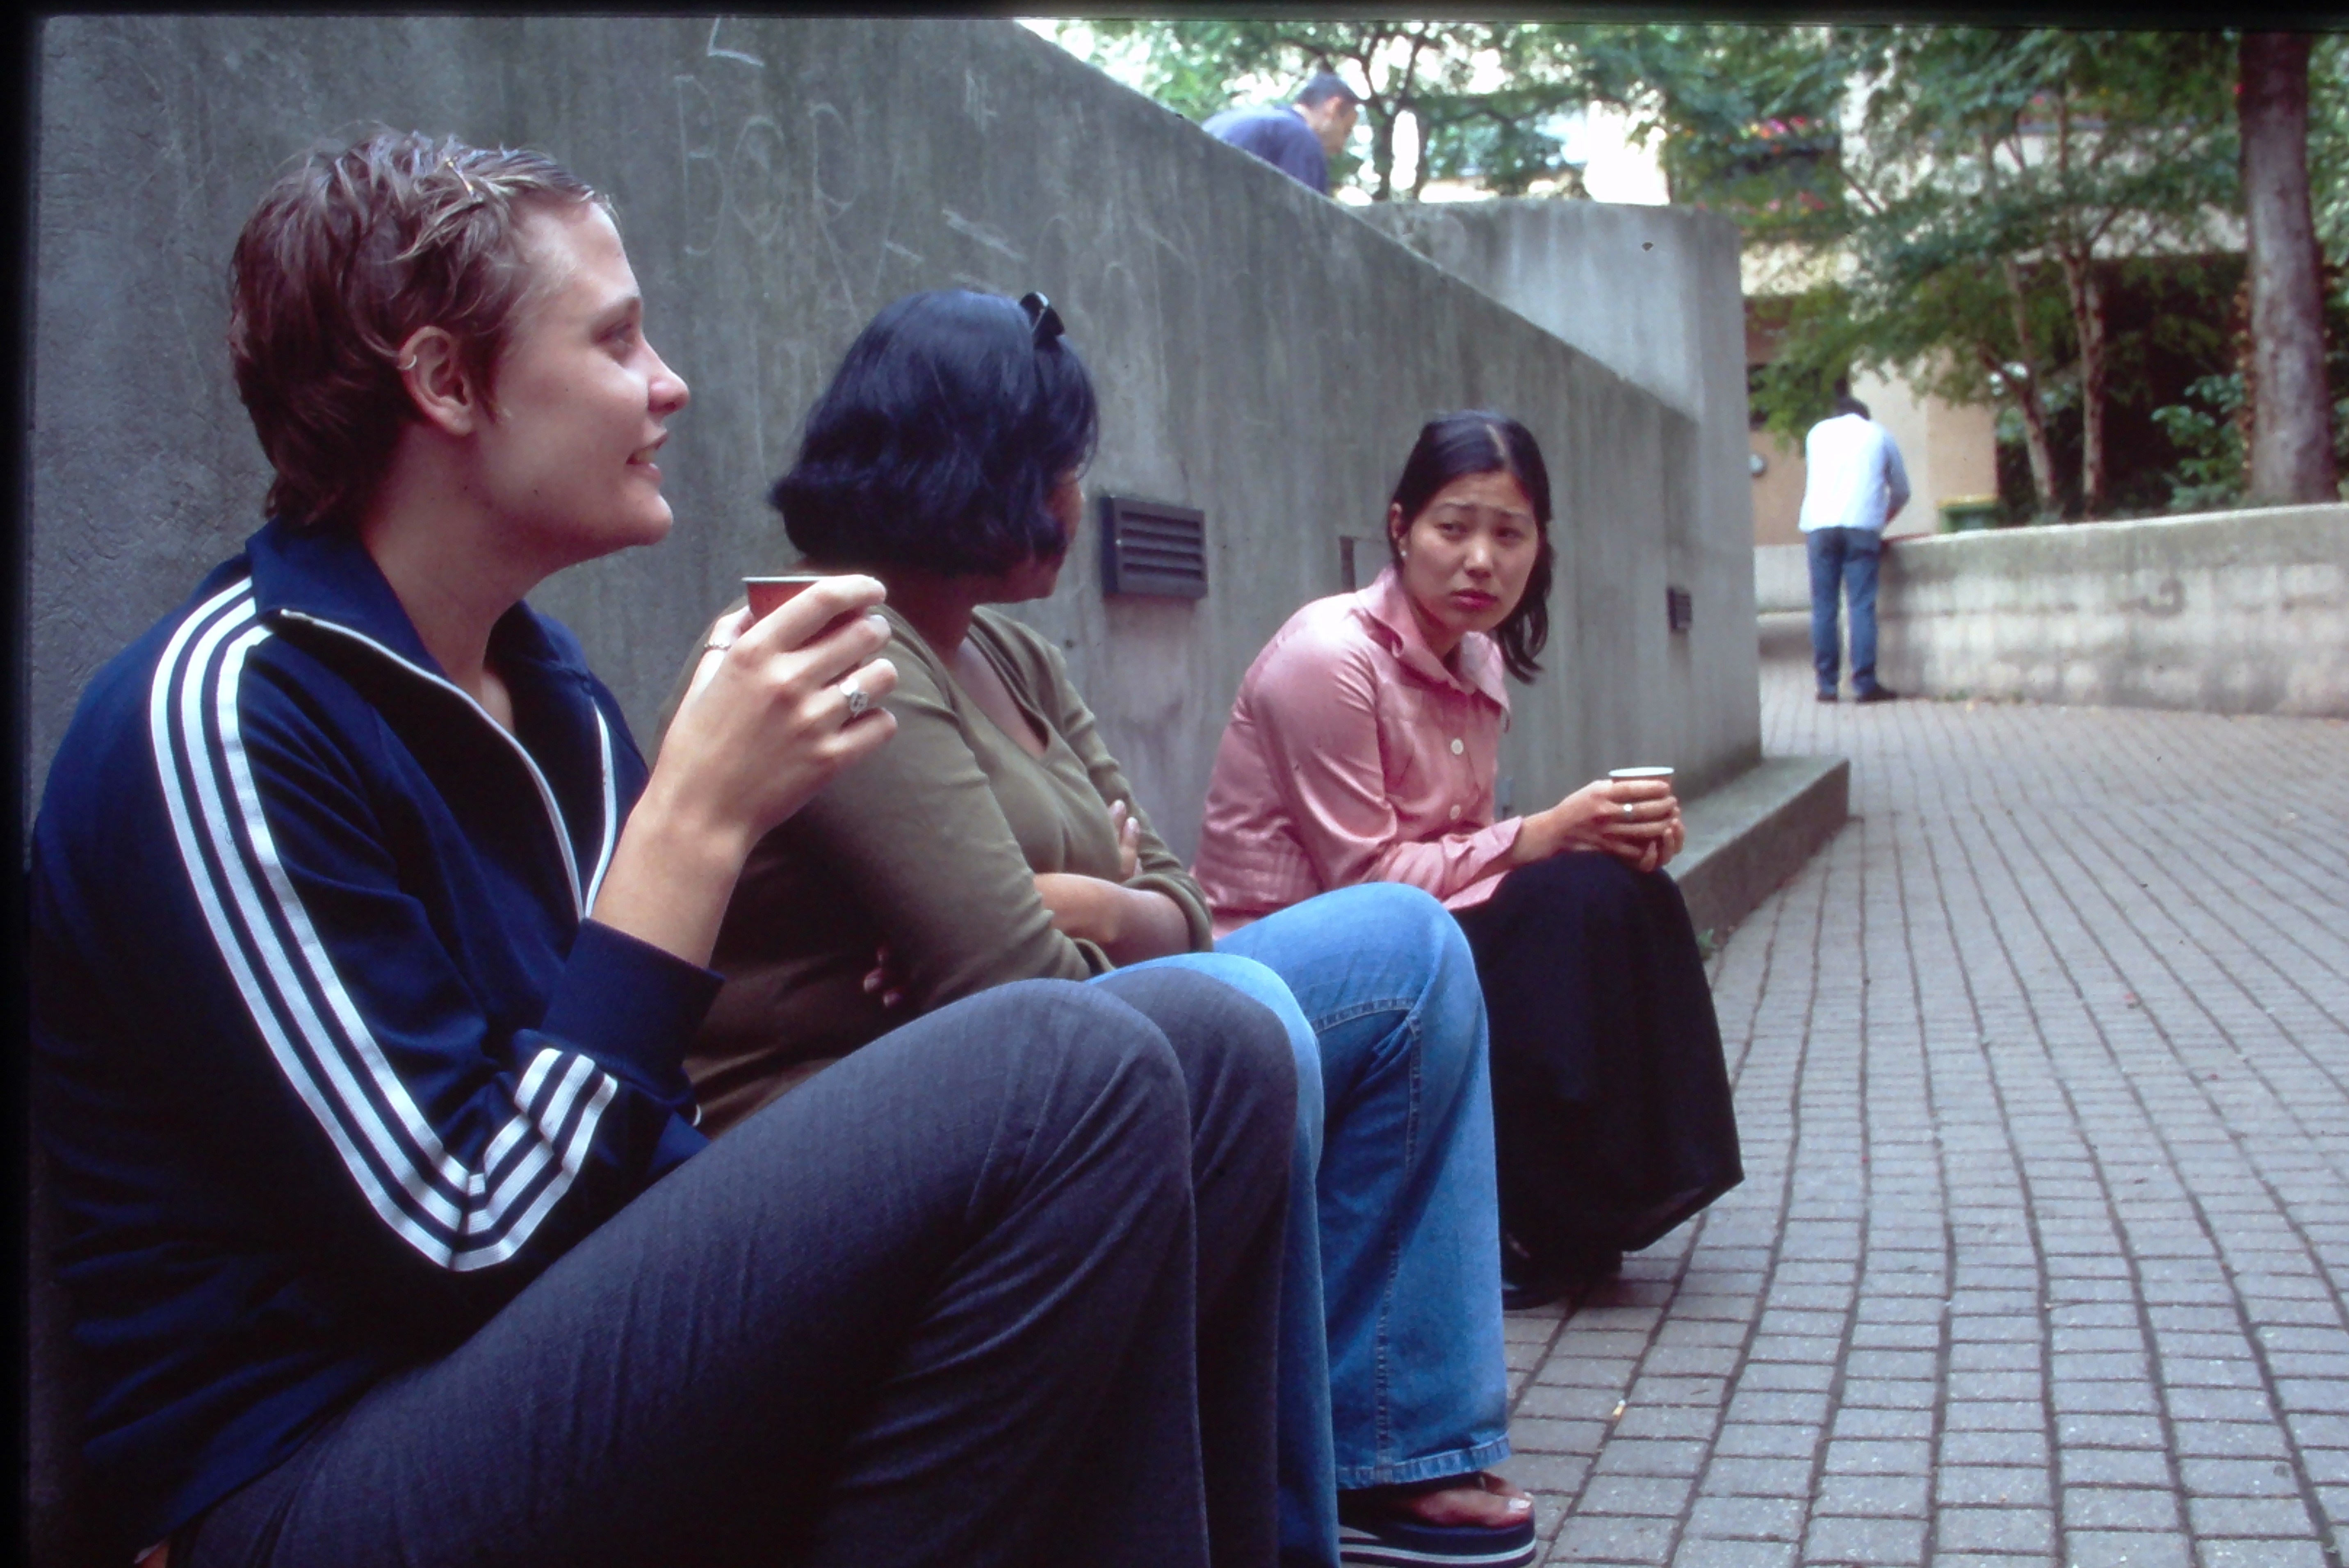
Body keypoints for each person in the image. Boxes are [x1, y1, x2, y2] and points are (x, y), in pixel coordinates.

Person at [29, 131, 1301, 1568]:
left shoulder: (552, 701)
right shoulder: (226, 716)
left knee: (1210, 1044)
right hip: (314, 1474)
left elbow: (648, 1123)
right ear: (446, 382)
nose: (669, 383)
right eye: (618, 338)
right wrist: (695, 826)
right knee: (1063, 1066)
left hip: (558, 1375)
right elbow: (465, 1243)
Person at [670, 291, 1534, 1568]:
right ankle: (1283, 1531)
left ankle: (1396, 1442)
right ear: (980, 469)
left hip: (1031, 1040)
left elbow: (1174, 894)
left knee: (1409, 946)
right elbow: (1007, 980)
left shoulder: (1011, 654)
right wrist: (1092, 914)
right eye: (1062, 464)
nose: (1078, 496)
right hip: (833, 1116)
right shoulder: (840, 647)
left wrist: (1086, 899)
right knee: (1239, 1023)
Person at [1192, 410, 1745, 1311]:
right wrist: (1543, 835)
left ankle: (1596, 1205)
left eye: (1508, 532)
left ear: (1540, 546)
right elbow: (1365, 884)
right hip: (1282, 958)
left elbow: (1464, 865)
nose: (1480, 559)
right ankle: (1518, 1216)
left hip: (1401, 934)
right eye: (1453, 527)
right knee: (1557, 905)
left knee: (1616, 891)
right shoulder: (1328, 658)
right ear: (1400, 526)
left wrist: (1606, 836)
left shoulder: (1476, 658)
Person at [1799, 381, 1911, 703]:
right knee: (1861, 605)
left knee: (1824, 607)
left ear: (1837, 415)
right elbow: (1902, 491)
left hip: (1819, 526)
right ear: (1865, 416)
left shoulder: (1817, 434)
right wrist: (1882, 521)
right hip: (1862, 526)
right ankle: (1864, 684)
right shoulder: (1879, 434)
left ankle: (1827, 686)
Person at [1202, 72, 1361, 196]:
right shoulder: (1301, 137)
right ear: (1333, 108)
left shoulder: (1225, 120)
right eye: (1346, 132)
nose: (1341, 148)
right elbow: (1307, 221)